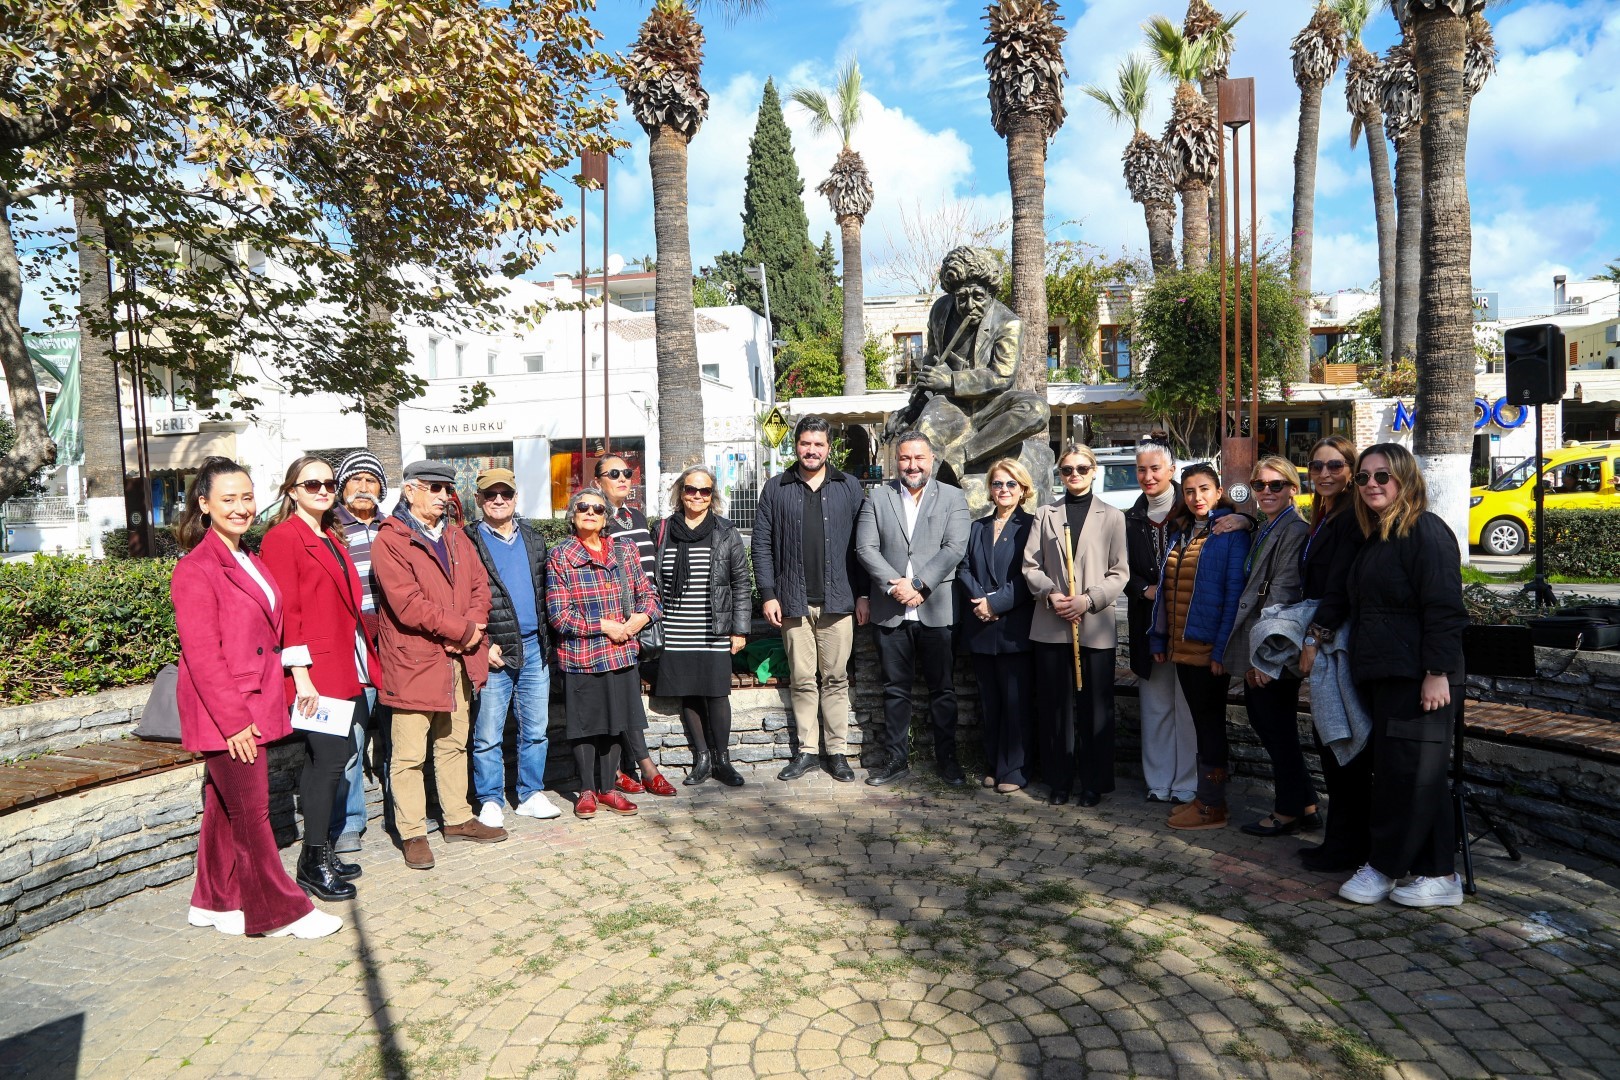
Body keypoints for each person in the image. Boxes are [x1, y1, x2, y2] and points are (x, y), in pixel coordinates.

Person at [169, 456, 340, 939]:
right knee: (251, 813)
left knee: (225, 810)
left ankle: (213, 901)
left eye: (247, 497)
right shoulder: (196, 569)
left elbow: (271, 635)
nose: (242, 507)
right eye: (229, 499)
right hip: (228, 714)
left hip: (254, 703)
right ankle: (278, 911)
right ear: (204, 504)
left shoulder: (250, 557)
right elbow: (203, 656)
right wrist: (234, 722)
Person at [1335, 443, 1469, 907]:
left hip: (1419, 677)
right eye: (1364, 477)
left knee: (1408, 775)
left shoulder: (1424, 531)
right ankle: (1439, 875)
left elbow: (1445, 608)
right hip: (1386, 674)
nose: (1372, 484)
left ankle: (1384, 868)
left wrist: (1437, 672)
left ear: (1406, 480)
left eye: (1383, 476)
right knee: (1411, 773)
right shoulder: (1379, 537)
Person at [372, 460, 506, 870]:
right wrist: (462, 631)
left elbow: (480, 585)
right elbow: (407, 604)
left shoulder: (454, 536)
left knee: (453, 743)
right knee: (410, 754)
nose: (443, 496)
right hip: (416, 661)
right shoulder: (390, 540)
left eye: (447, 489)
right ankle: (412, 832)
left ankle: (458, 818)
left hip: (458, 660)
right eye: (433, 488)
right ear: (409, 490)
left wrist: (471, 627)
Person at [259, 455, 379, 903]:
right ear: (292, 491)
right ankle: (312, 861)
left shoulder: (330, 534)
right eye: (312, 484)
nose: (323, 490)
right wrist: (301, 677)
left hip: (342, 667)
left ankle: (322, 851)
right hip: (313, 674)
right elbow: (285, 614)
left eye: (329, 483)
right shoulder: (282, 538)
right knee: (327, 761)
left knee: (335, 760)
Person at [751, 416, 871, 782]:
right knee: (802, 678)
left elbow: (864, 546)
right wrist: (769, 594)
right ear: (796, 446)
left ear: (828, 448)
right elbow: (761, 546)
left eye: (818, 444)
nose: (811, 450)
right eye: (805, 444)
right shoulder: (776, 488)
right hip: (792, 601)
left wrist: (864, 593)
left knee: (835, 678)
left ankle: (836, 752)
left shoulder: (849, 487)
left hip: (839, 600)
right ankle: (806, 751)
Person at [855, 431, 972, 786]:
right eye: (905, 458)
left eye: (919, 458)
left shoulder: (952, 497)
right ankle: (895, 760)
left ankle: (947, 760)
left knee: (943, 689)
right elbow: (865, 548)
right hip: (891, 610)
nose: (912, 465)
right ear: (896, 461)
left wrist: (919, 584)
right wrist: (896, 585)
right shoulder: (877, 497)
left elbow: (954, 548)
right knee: (895, 690)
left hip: (936, 609)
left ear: (931, 459)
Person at [546, 487, 663, 818]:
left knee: (616, 722)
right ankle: (586, 790)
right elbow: (559, 615)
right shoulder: (561, 555)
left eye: (597, 509)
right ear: (572, 514)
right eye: (582, 507)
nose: (590, 512)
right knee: (585, 726)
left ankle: (609, 789)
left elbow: (648, 594)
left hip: (622, 651)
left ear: (606, 518)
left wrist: (640, 618)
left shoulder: (624, 550)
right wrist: (604, 626)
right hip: (582, 656)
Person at [1023, 444, 1129, 806]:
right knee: (1055, 706)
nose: (1075, 475)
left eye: (1082, 468)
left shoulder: (1113, 516)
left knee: (1096, 707)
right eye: (1067, 469)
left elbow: (1120, 572)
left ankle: (1094, 783)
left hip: (1095, 624)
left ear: (1094, 470)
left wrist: (1088, 599)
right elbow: (1030, 567)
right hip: (1052, 623)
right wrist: (1052, 595)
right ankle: (1059, 780)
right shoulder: (1046, 513)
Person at [1149, 464, 1252, 830]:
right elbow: (1168, 592)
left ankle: (1213, 806)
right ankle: (1204, 798)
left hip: (1207, 651)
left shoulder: (1230, 534)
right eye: (1190, 491)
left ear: (1219, 490)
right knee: (1201, 723)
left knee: (1210, 726)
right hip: (1182, 648)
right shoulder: (1184, 532)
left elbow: (1232, 599)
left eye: (1204, 489)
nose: (1197, 498)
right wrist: (1160, 638)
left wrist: (1221, 651)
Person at [1224, 456, 1320, 837]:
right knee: (1272, 726)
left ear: (1293, 489)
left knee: (1274, 728)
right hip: (1262, 641)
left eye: (1275, 485)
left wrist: (1265, 660)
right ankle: (1307, 804)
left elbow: (1283, 594)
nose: (1266, 491)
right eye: (1259, 485)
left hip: (1273, 646)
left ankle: (1286, 811)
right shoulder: (1268, 525)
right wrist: (1246, 519)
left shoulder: (1294, 530)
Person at [465, 467, 561, 826]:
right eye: (491, 495)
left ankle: (530, 793)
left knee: (536, 728)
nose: (499, 500)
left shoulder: (534, 540)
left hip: (535, 647)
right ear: (479, 500)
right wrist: (480, 644)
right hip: (492, 650)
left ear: (516, 497)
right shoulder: (466, 540)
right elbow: (460, 600)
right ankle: (490, 799)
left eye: (505, 494)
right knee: (488, 732)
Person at [1295, 435, 1371, 873]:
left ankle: (1346, 846)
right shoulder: (1326, 516)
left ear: (1350, 470)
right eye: (1318, 466)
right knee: (1331, 743)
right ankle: (1341, 842)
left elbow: (1339, 587)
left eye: (1336, 466)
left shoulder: (1350, 519)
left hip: (1336, 644)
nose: (1325, 473)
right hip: (1328, 640)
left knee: (1342, 743)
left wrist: (1313, 639)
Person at [652, 466, 751, 787]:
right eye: (691, 489)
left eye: (704, 491)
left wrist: (739, 629)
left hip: (713, 627)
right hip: (676, 628)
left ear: (712, 495)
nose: (697, 496)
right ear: (680, 491)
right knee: (689, 694)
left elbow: (741, 583)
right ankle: (703, 758)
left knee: (717, 693)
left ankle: (723, 760)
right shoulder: (663, 530)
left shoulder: (725, 531)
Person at [596, 454, 679, 798]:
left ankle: (624, 768)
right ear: (597, 481)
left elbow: (648, 571)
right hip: (614, 622)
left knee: (626, 694)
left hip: (643, 616)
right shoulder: (595, 515)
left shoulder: (635, 515)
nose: (622, 478)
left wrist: (647, 612)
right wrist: (621, 621)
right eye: (613, 473)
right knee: (617, 694)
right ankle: (635, 767)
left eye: (626, 473)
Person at [1124, 439, 1197, 805]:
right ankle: (1158, 781)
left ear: (1171, 470)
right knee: (1154, 707)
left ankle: (1186, 782)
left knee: (1185, 706)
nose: (1148, 476)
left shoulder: (1192, 512)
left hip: (1185, 628)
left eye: (1155, 468)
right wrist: (1143, 589)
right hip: (1147, 627)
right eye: (1141, 469)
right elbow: (1119, 570)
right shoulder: (1130, 518)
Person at [956, 458, 1036, 793]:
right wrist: (981, 602)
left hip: (1015, 627)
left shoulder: (1032, 526)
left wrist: (996, 603)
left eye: (1010, 484)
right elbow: (963, 568)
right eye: (997, 484)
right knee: (989, 702)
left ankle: (1014, 769)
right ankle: (993, 763)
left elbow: (1030, 575)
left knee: (1016, 702)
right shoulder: (977, 527)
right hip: (981, 627)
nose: (1003, 490)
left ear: (1023, 489)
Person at [330, 450, 388, 852]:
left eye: (371, 481)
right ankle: (350, 822)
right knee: (349, 738)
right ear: (342, 488)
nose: (364, 488)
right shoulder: (331, 529)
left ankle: (404, 813)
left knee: (398, 735)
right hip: (349, 646)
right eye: (356, 480)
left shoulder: (395, 528)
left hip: (394, 644)